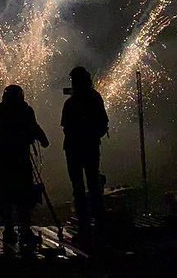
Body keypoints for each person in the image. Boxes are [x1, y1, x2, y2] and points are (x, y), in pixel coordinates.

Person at [0, 84, 49, 246]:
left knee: (4, 196)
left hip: (1, 162)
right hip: (21, 162)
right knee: (24, 197)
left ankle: (9, 231)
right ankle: (24, 231)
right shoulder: (25, 111)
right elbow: (35, 129)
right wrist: (41, 140)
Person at [61, 66, 108, 237]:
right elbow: (103, 123)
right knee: (92, 184)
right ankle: (97, 221)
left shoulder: (72, 102)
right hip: (89, 147)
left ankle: (85, 222)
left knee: (80, 187)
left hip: (75, 148)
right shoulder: (94, 98)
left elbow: (65, 127)